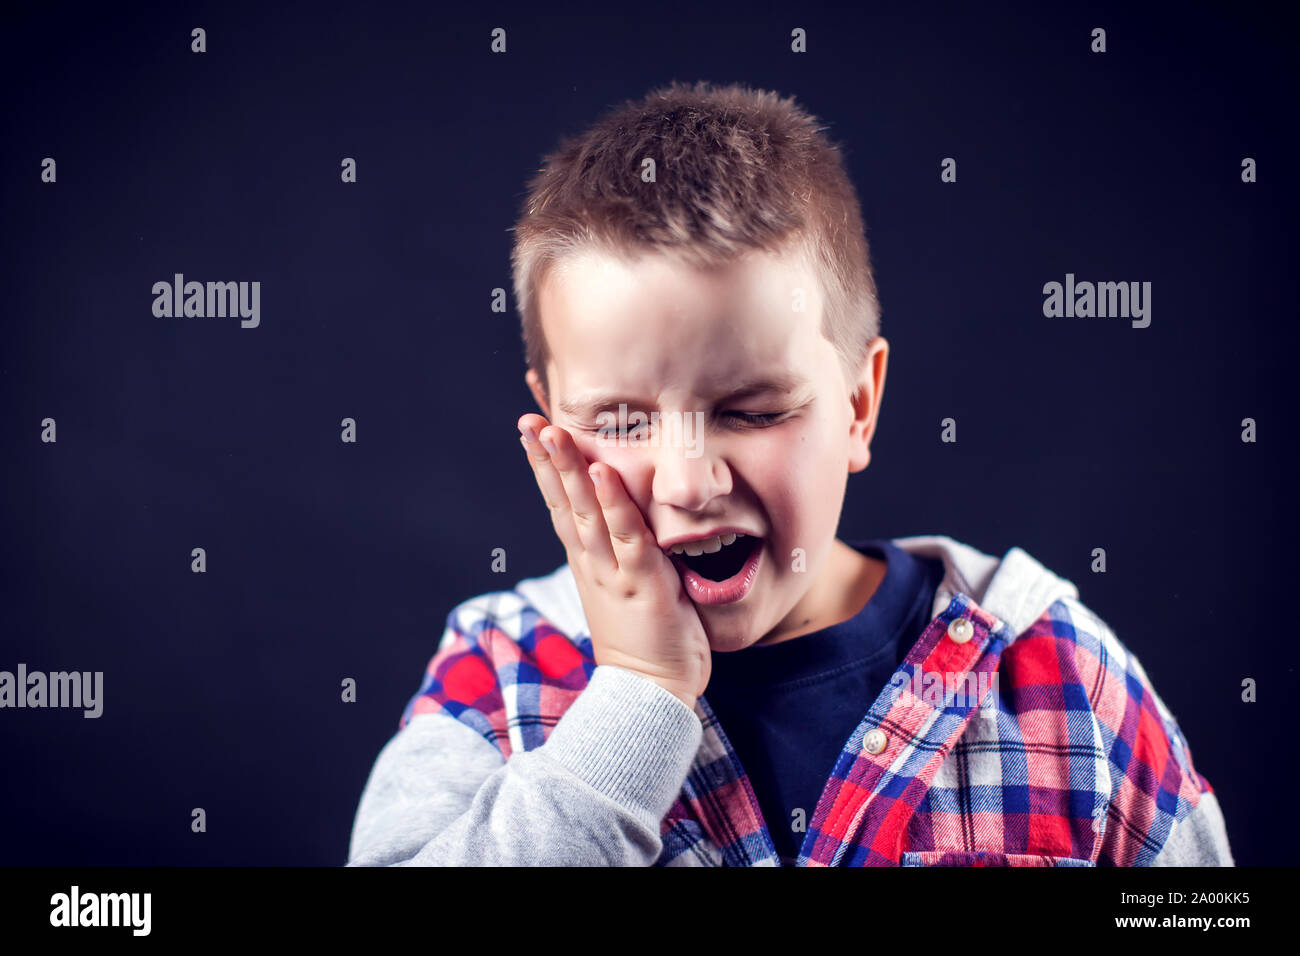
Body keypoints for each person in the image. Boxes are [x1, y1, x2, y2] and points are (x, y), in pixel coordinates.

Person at [346, 80, 1233, 866]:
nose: (688, 483)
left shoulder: (1059, 676)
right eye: (619, 420)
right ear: (548, 420)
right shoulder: (493, 674)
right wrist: (638, 698)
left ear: (858, 404)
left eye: (753, 410)